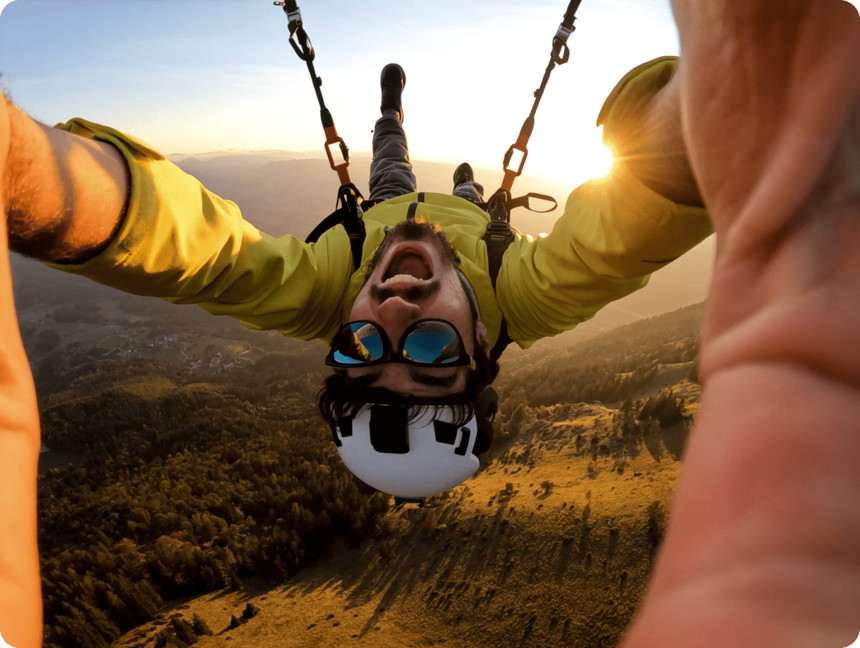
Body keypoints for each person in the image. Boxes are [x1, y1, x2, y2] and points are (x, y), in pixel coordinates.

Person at [1, 1, 857, 646]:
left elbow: (190, 251)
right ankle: (468, 186)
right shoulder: (530, 296)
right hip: (464, 225)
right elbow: (637, 216)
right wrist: (732, 102)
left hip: (384, 210)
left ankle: (391, 111)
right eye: (433, 351)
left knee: (386, 160)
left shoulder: (327, 290)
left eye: (362, 347)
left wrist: (27, 178)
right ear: (484, 353)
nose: (394, 311)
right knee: (472, 200)